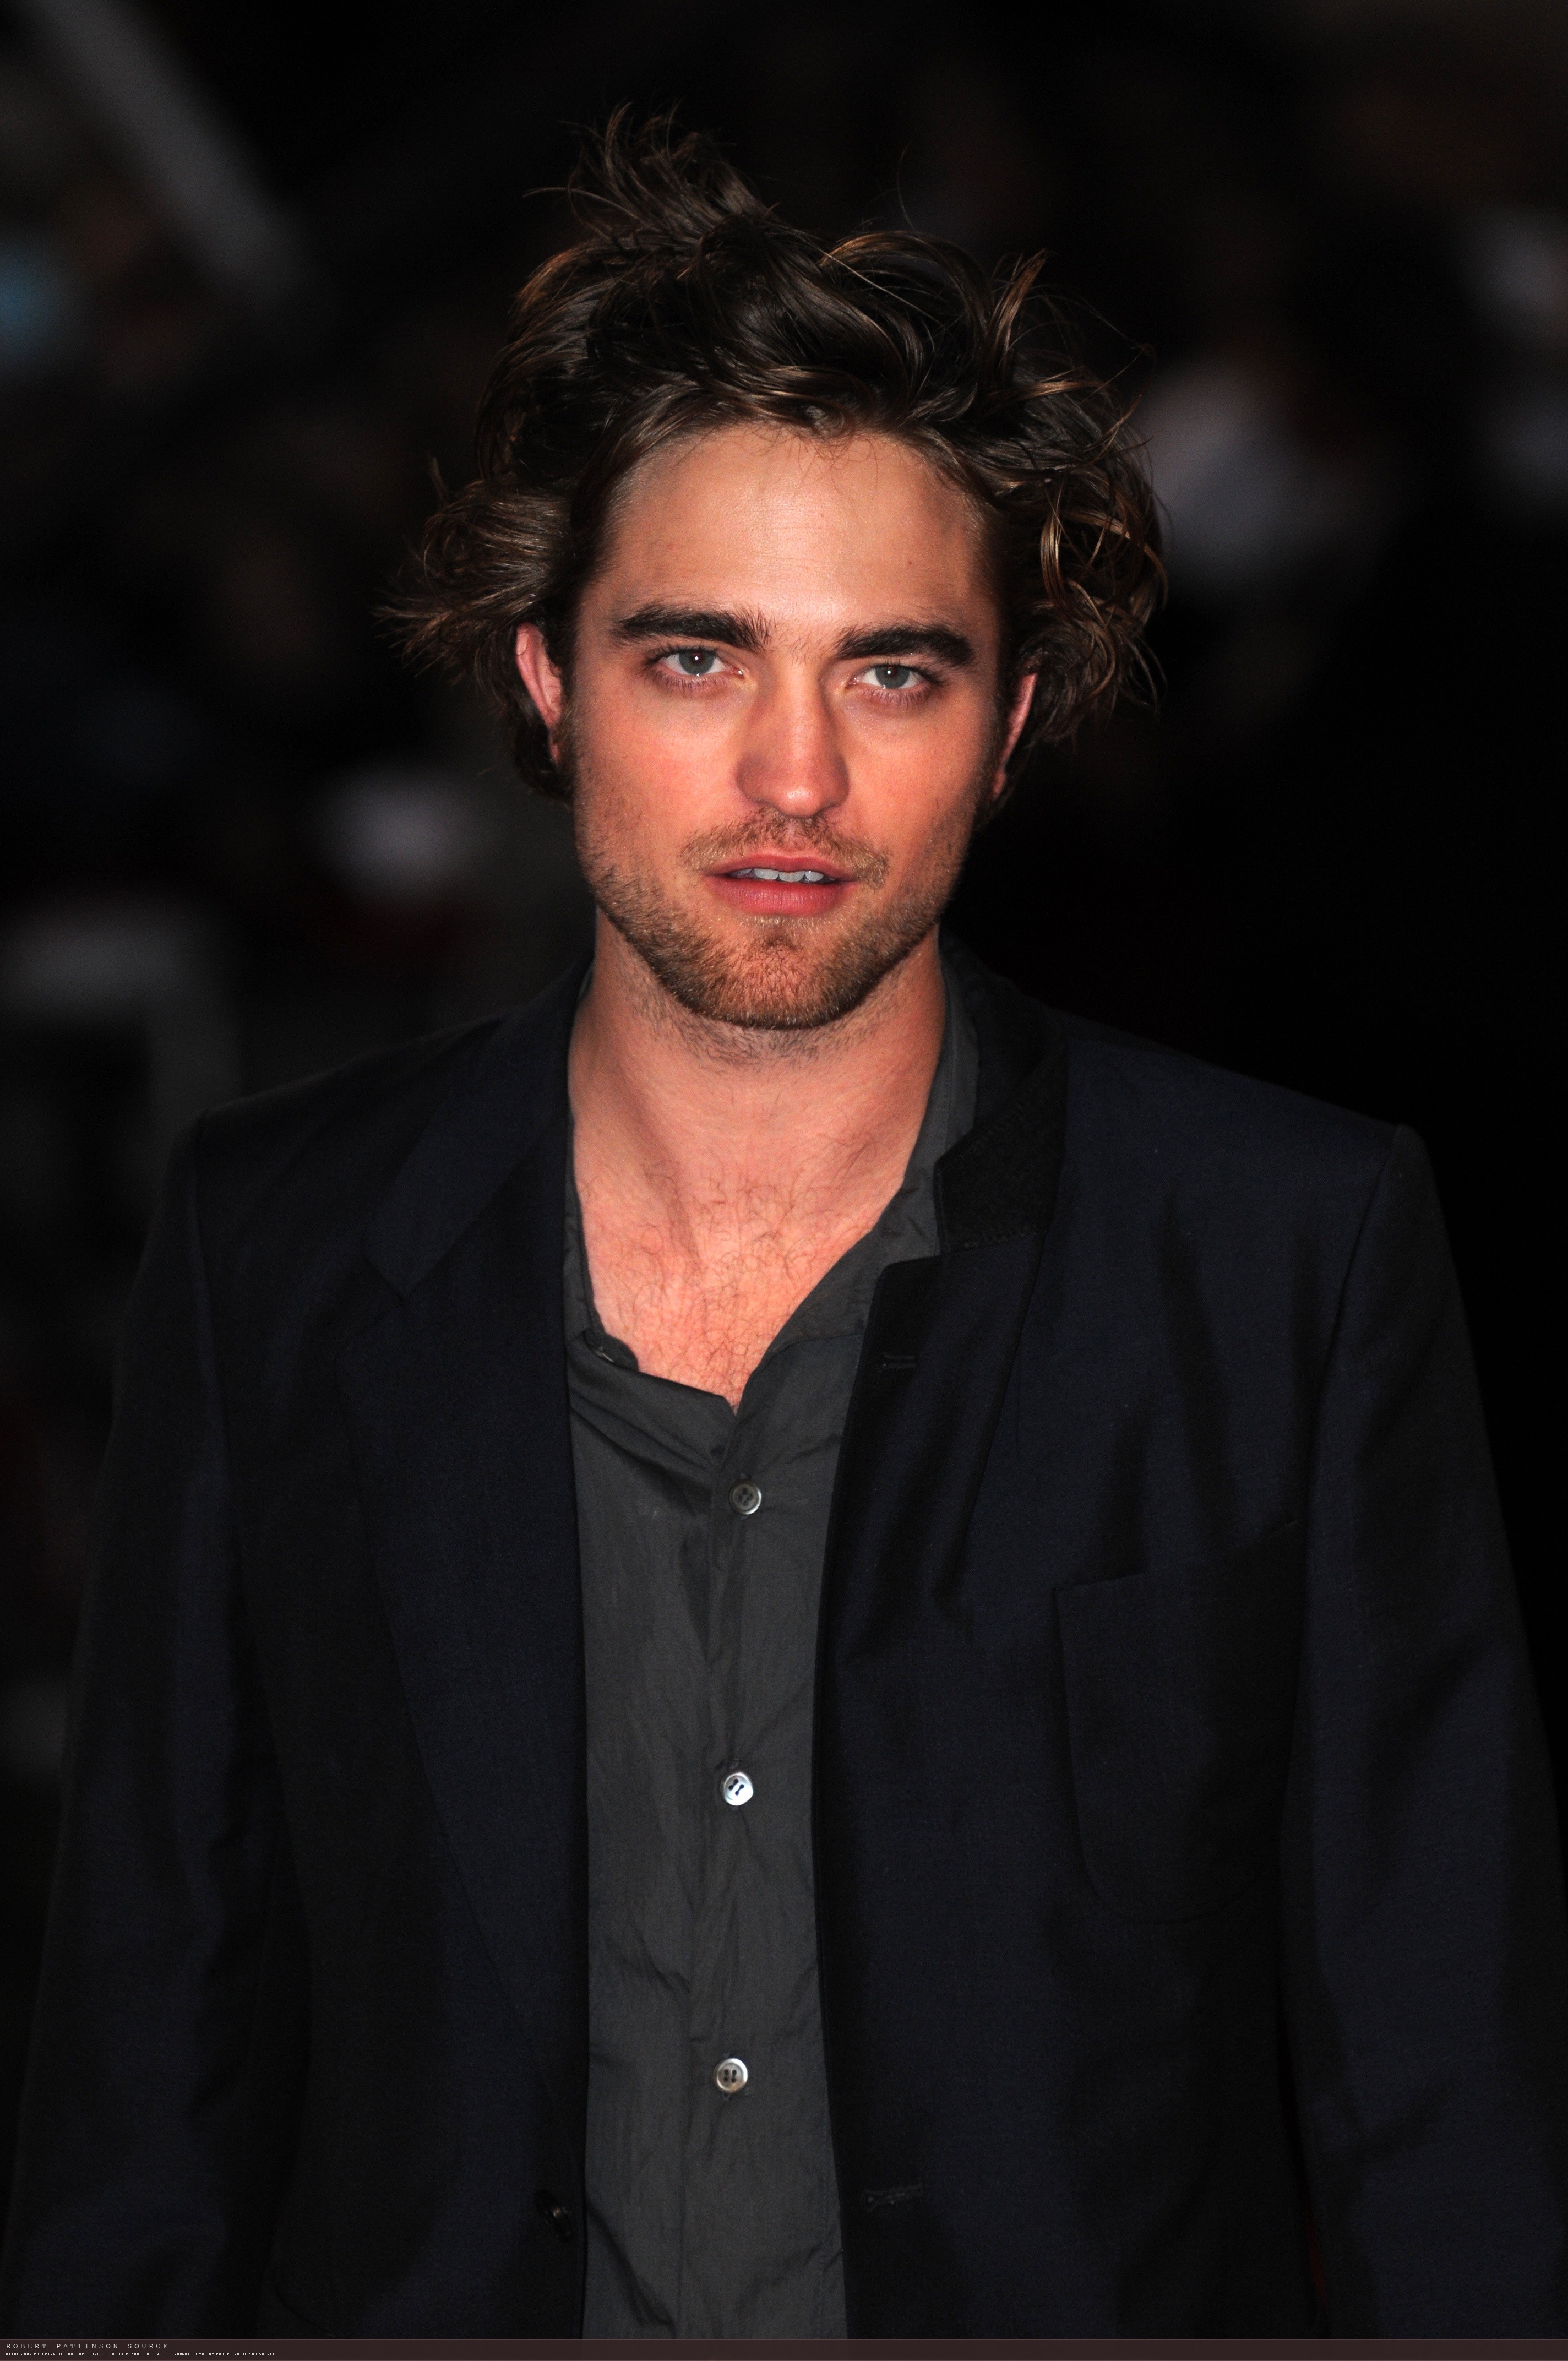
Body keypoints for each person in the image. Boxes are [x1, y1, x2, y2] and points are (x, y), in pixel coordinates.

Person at [2, 113, 1564, 2340]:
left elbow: (1444, 2097)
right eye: (698, 659)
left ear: (1012, 722)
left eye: (892, 669)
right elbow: (150, 2073)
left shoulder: (1283, 1256)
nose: (796, 776)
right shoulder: (283, 1248)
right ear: (548, 684)